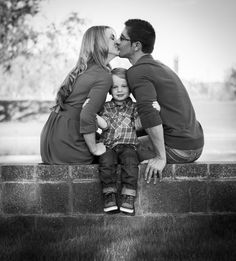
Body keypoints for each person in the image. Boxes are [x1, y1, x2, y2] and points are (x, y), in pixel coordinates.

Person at [116, 19, 204, 184]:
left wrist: (160, 157)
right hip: (196, 145)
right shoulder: (159, 66)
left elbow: (149, 113)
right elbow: (159, 112)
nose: (117, 42)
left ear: (136, 45)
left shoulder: (137, 71)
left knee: (111, 149)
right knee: (124, 135)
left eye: (122, 38)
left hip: (178, 149)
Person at [40, 26, 119, 164]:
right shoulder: (103, 74)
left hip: (51, 141)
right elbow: (87, 114)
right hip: (68, 145)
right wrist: (94, 148)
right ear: (99, 44)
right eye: (112, 38)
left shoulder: (86, 68)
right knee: (119, 151)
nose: (117, 41)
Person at [95, 68, 140, 214]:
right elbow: (105, 124)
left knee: (130, 162)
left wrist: (155, 111)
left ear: (130, 88)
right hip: (109, 145)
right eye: (115, 87)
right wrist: (93, 115)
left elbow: (140, 125)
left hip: (128, 146)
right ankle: (109, 195)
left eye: (124, 86)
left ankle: (128, 196)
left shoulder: (134, 107)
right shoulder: (106, 107)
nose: (119, 90)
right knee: (106, 162)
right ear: (109, 90)